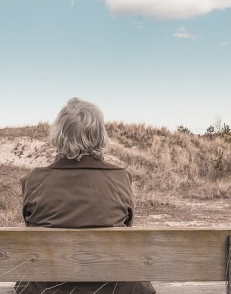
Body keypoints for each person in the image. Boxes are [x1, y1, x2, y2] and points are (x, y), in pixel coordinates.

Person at [15, 98, 156, 294]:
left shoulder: (33, 181)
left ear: (60, 136)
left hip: (48, 289)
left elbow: (31, 227)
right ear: (100, 135)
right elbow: (126, 226)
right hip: (114, 288)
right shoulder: (121, 179)